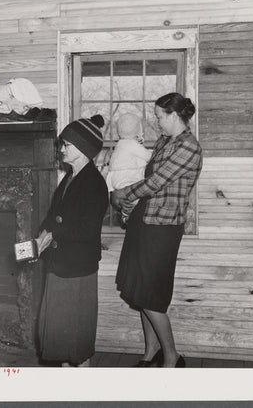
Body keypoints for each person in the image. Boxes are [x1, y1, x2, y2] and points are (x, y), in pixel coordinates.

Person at [111, 93, 203, 368]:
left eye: (160, 116)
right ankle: (151, 350)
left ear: (174, 116)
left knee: (151, 293)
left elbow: (155, 182)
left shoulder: (189, 147)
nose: (157, 121)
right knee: (140, 290)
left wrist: (122, 193)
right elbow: (146, 174)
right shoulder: (166, 142)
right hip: (144, 219)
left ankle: (172, 355)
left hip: (162, 227)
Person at [35, 114, 109, 367]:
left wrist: (54, 234)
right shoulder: (69, 177)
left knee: (77, 341)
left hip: (77, 270)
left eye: (67, 144)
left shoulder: (95, 184)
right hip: (60, 266)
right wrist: (40, 236)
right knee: (62, 341)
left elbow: (86, 231)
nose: (62, 148)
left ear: (83, 148)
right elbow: (54, 215)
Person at [105, 113, 152, 226]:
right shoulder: (131, 144)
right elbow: (148, 157)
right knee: (136, 200)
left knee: (128, 202)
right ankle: (128, 216)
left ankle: (125, 215)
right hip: (127, 179)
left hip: (116, 180)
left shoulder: (121, 144)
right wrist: (152, 152)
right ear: (138, 131)